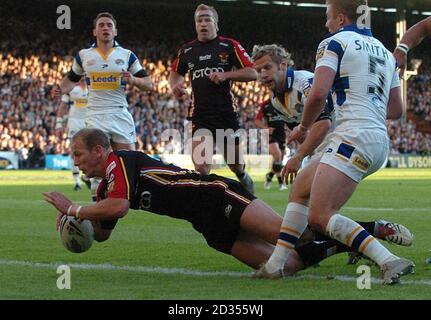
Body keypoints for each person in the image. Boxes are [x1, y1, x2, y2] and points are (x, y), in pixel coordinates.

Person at [43, 128, 413, 276]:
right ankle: (342, 247)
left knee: (297, 233)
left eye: (77, 155)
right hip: (207, 225)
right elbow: (105, 232)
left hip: (217, 195)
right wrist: (79, 226)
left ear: (97, 150)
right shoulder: (102, 191)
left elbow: (120, 208)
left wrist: (72, 209)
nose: (74, 162)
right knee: (287, 267)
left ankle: (373, 231)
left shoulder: (118, 162)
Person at [254, 0, 415, 285]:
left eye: (328, 17)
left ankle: (388, 260)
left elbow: (317, 95)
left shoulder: (334, 42)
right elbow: (396, 111)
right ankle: (275, 265)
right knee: (301, 188)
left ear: (341, 19)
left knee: (319, 216)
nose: (326, 23)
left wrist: (303, 128)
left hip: (352, 135)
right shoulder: (385, 53)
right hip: (377, 138)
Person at [53, 12, 152, 199]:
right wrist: (60, 89)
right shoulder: (84, 56)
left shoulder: (127, 55)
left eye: (109, 25)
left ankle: (124, 199)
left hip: (119, 114)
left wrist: (133, 80)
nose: (105, 28)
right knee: (96, 164)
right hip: (95, 115)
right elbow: (71, 79)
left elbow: (148, 84)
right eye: (101, 25)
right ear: (94, 31)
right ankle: (98, 211)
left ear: (115, 31)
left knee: (128, 162)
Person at [168, 4, 257, 194]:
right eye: (199, 20)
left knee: (235, 166)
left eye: (207, 19)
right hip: (200, 115)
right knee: (200, 167)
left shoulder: (229, 45)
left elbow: (252, 73)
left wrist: (226, 76)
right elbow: (175, 74)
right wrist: (175, 86)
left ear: (216, 24)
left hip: (225, 113)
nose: (203, 23)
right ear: (195, 25)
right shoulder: (187, 50)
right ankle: (209, 204)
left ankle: (243, 178)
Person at [251, 44, 334, 185]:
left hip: (339, 144)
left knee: (304, 194)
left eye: (267, 67)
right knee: (299, 193)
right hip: (321, 150)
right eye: (258, 71)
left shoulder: (305, 83)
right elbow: (301, 134)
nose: (263, 75)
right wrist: (310, 153)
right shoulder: (275, 102)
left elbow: (323, 123)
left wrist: (299, 156)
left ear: (283, 65)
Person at [55, 78, 90, 191]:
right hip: (74, 122)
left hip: (90, 121)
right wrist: (59, 124)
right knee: (74, 151)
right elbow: (62, 106)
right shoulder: (70, 87)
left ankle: (86, 176)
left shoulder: (93, 85)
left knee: (91, 150)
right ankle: (77, 182)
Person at [254, 99, 288, 191]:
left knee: (279, 160)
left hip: (282, 135)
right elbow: (257, 120)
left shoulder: (285, 101)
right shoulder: (265, 105)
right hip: (271, 135)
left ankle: (269, 176)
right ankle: (281, 183)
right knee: (278, 155)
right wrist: (265, 128)